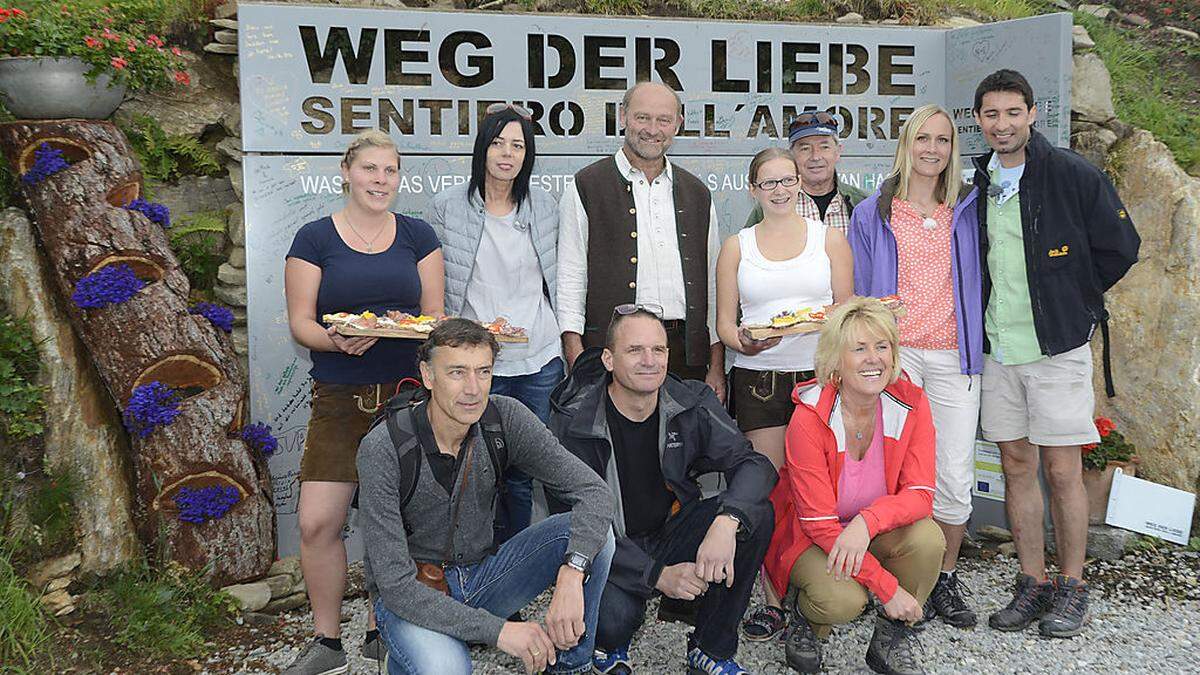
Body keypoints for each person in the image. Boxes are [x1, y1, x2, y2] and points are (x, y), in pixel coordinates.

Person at [970, 69, 1139, 637]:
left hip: (1057, 348)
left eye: (1012, 112)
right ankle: (1032, 582)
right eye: (990, 114)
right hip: (1001, 347)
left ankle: (1072, 587)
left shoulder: (1070, 173)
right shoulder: (981, 180)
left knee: (1062, 469)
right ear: (979, 120)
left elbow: (1121, 246)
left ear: (1032, 113)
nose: (1002, 124)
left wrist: (1076, 303)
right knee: (1016, 465)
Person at [357, 318, 616, 674]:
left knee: (597, 536)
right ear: (428, 376)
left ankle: (570, 666)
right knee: (445, 668)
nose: (473, 389)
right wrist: (500, 631)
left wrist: (573, 574)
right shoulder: (384, 448)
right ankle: (410, 654)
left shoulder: (503, 418)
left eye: (483, 371)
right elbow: (396, 588)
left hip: (482, 576)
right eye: (457, 373)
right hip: (416, 593)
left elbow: (593, 492)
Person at [282, 129, 445, 674]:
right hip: (339, 397)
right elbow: (302, 322)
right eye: (370, 169)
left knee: (393, 523)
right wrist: (337, 339)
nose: (380, 180)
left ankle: (384, 630)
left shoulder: (418, 236)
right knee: (317, 522)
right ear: (347, 172)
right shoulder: (314, 238)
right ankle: (326, 642)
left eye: (390, 170)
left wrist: (408, 332)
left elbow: (432, 320)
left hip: (406, 398)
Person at [549, 306, 777, 675]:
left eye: (658, 350)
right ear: (608, 359)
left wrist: (726, 521)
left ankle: (710, 650)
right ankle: (609, 646)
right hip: (606, 548)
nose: (649, 361)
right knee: (613, 619)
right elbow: (569, 525)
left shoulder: (688, 401)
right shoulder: (574, 422)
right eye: (635, 350)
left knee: (755, 513)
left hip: (669, 531)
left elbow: (754, 465)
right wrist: (657, 575)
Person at [848, 104, 983, 629]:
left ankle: (943, 578)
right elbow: (860, 294)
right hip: (894, 361)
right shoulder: (875, 212)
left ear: (953, 149)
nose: (932, 149)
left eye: (943, 140)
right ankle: (885, 580)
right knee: (888, 472)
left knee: (952, 474)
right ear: (906, 143)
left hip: (954, 356)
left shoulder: (968, 207)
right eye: (922, 138)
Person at [763, 297, 945, 675]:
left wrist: (866, 522)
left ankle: (891, 636)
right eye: (859, 349)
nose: (873, 358)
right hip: (813, 536)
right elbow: (818, 524)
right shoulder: (809, 419)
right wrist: (887, 587)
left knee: (928, 539)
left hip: (868, 530)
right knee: (843, 600)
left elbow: (921, 495)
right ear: (836, 360)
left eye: (882, 347)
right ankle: (803, 616)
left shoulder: (911, 404)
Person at [716, 147, 853, 642]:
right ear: (752, 189)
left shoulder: (829, 239)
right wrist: (746, 341)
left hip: (820, 380)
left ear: (800, 183)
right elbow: (726, 327)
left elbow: (846, 314)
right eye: (767, 182)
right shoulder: (737, 245)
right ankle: (773, 598)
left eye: (786, 180)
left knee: (819, 489)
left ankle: (819, 588)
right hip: (759, 378)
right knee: (769, 492)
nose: (779, 190)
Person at [429, 103, 562, 545]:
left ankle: (515, 566)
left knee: (522, 472)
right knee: (470, 468)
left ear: (529, 155)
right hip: (476, 362)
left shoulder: (545, 207)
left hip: (538, 358)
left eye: (518, 145)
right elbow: (437, 283)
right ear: (482, 149)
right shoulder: (448, 207)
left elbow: (563, 275)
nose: (507, 153)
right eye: (498, 143)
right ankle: (472, 561)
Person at [557, 81, 725, 401]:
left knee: (684, 449)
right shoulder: (586, 186)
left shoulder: (697, 193)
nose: (652, 129)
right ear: (623, 117)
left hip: (685, 355)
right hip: (612, 354)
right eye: (642, 117)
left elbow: (713, 285)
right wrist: (576, 357)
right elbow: (570, 276)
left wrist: (715, 364)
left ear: (678, 124)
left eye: (663, 120)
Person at [743, 112, 869, 234]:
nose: (815, 157)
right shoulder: (774, 204)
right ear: (791, 154)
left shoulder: (862, 204)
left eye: (824, 147)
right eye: (805, 148)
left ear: (838, 152)